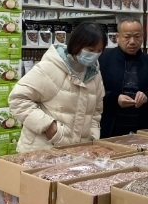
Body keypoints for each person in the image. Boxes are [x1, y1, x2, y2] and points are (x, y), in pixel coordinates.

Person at [9, 22, 106, 152]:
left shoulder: (94, 74)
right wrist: (49, 127)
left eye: (99, 51)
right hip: (42, 150)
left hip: (77, 152)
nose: (95, 55)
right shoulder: (50, 68)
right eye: (90, 49)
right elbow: (17, 99)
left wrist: (93, 136)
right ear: (76, 45)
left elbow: (96, 110)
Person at [99, 16, 148, 137]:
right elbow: (92, 92)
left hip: (141, 126)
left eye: (137, 36)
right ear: (117, 37)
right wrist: (115, 98)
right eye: (127, 37)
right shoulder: (103, 58)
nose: (132, 41)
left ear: (143, 37)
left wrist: (146, 96)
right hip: (109, 125)